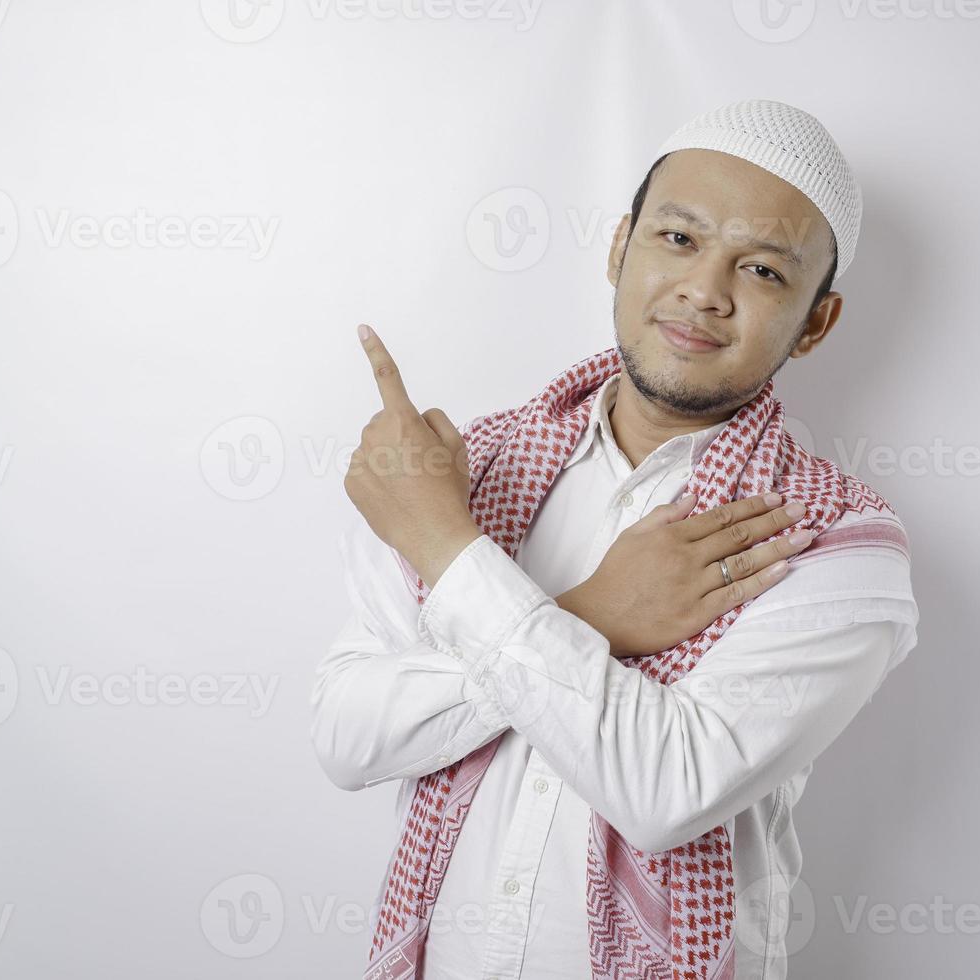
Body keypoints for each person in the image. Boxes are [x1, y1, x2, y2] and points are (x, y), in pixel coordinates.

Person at [313, 98, 920, 980]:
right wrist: (597, 611)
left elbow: (667, 791)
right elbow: (348, 737)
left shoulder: (833, 543)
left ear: (816, 324)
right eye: (679, 240)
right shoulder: (461, 471)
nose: (704, 291)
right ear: (619, 248)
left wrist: (448, 547)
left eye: (760, 270)